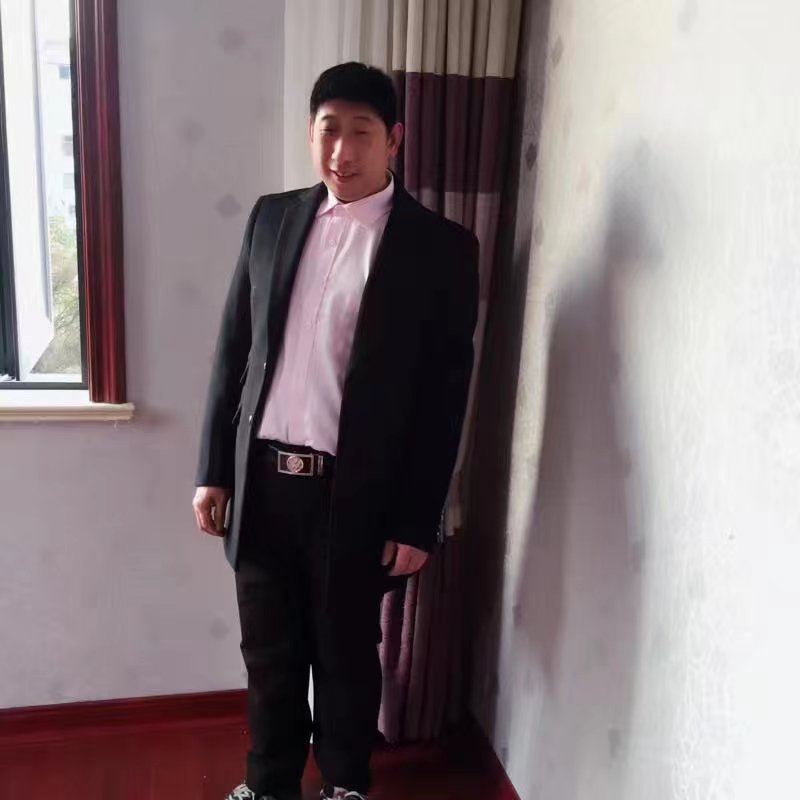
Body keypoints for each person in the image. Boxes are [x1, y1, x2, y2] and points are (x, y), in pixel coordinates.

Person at [193, 62, 479, 800]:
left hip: (355, 498)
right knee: (269, 657)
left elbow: (444, 398)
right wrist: (213, 469)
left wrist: (417, 518)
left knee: (347, 660)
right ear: (311, 133)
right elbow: (234, 351)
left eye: (361, 133)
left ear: (395, 140)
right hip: (262, 485)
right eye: (328, 131)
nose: (341, 152)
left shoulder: (441, 248)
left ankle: (345, 785)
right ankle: (268, 785)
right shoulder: (271, 218)